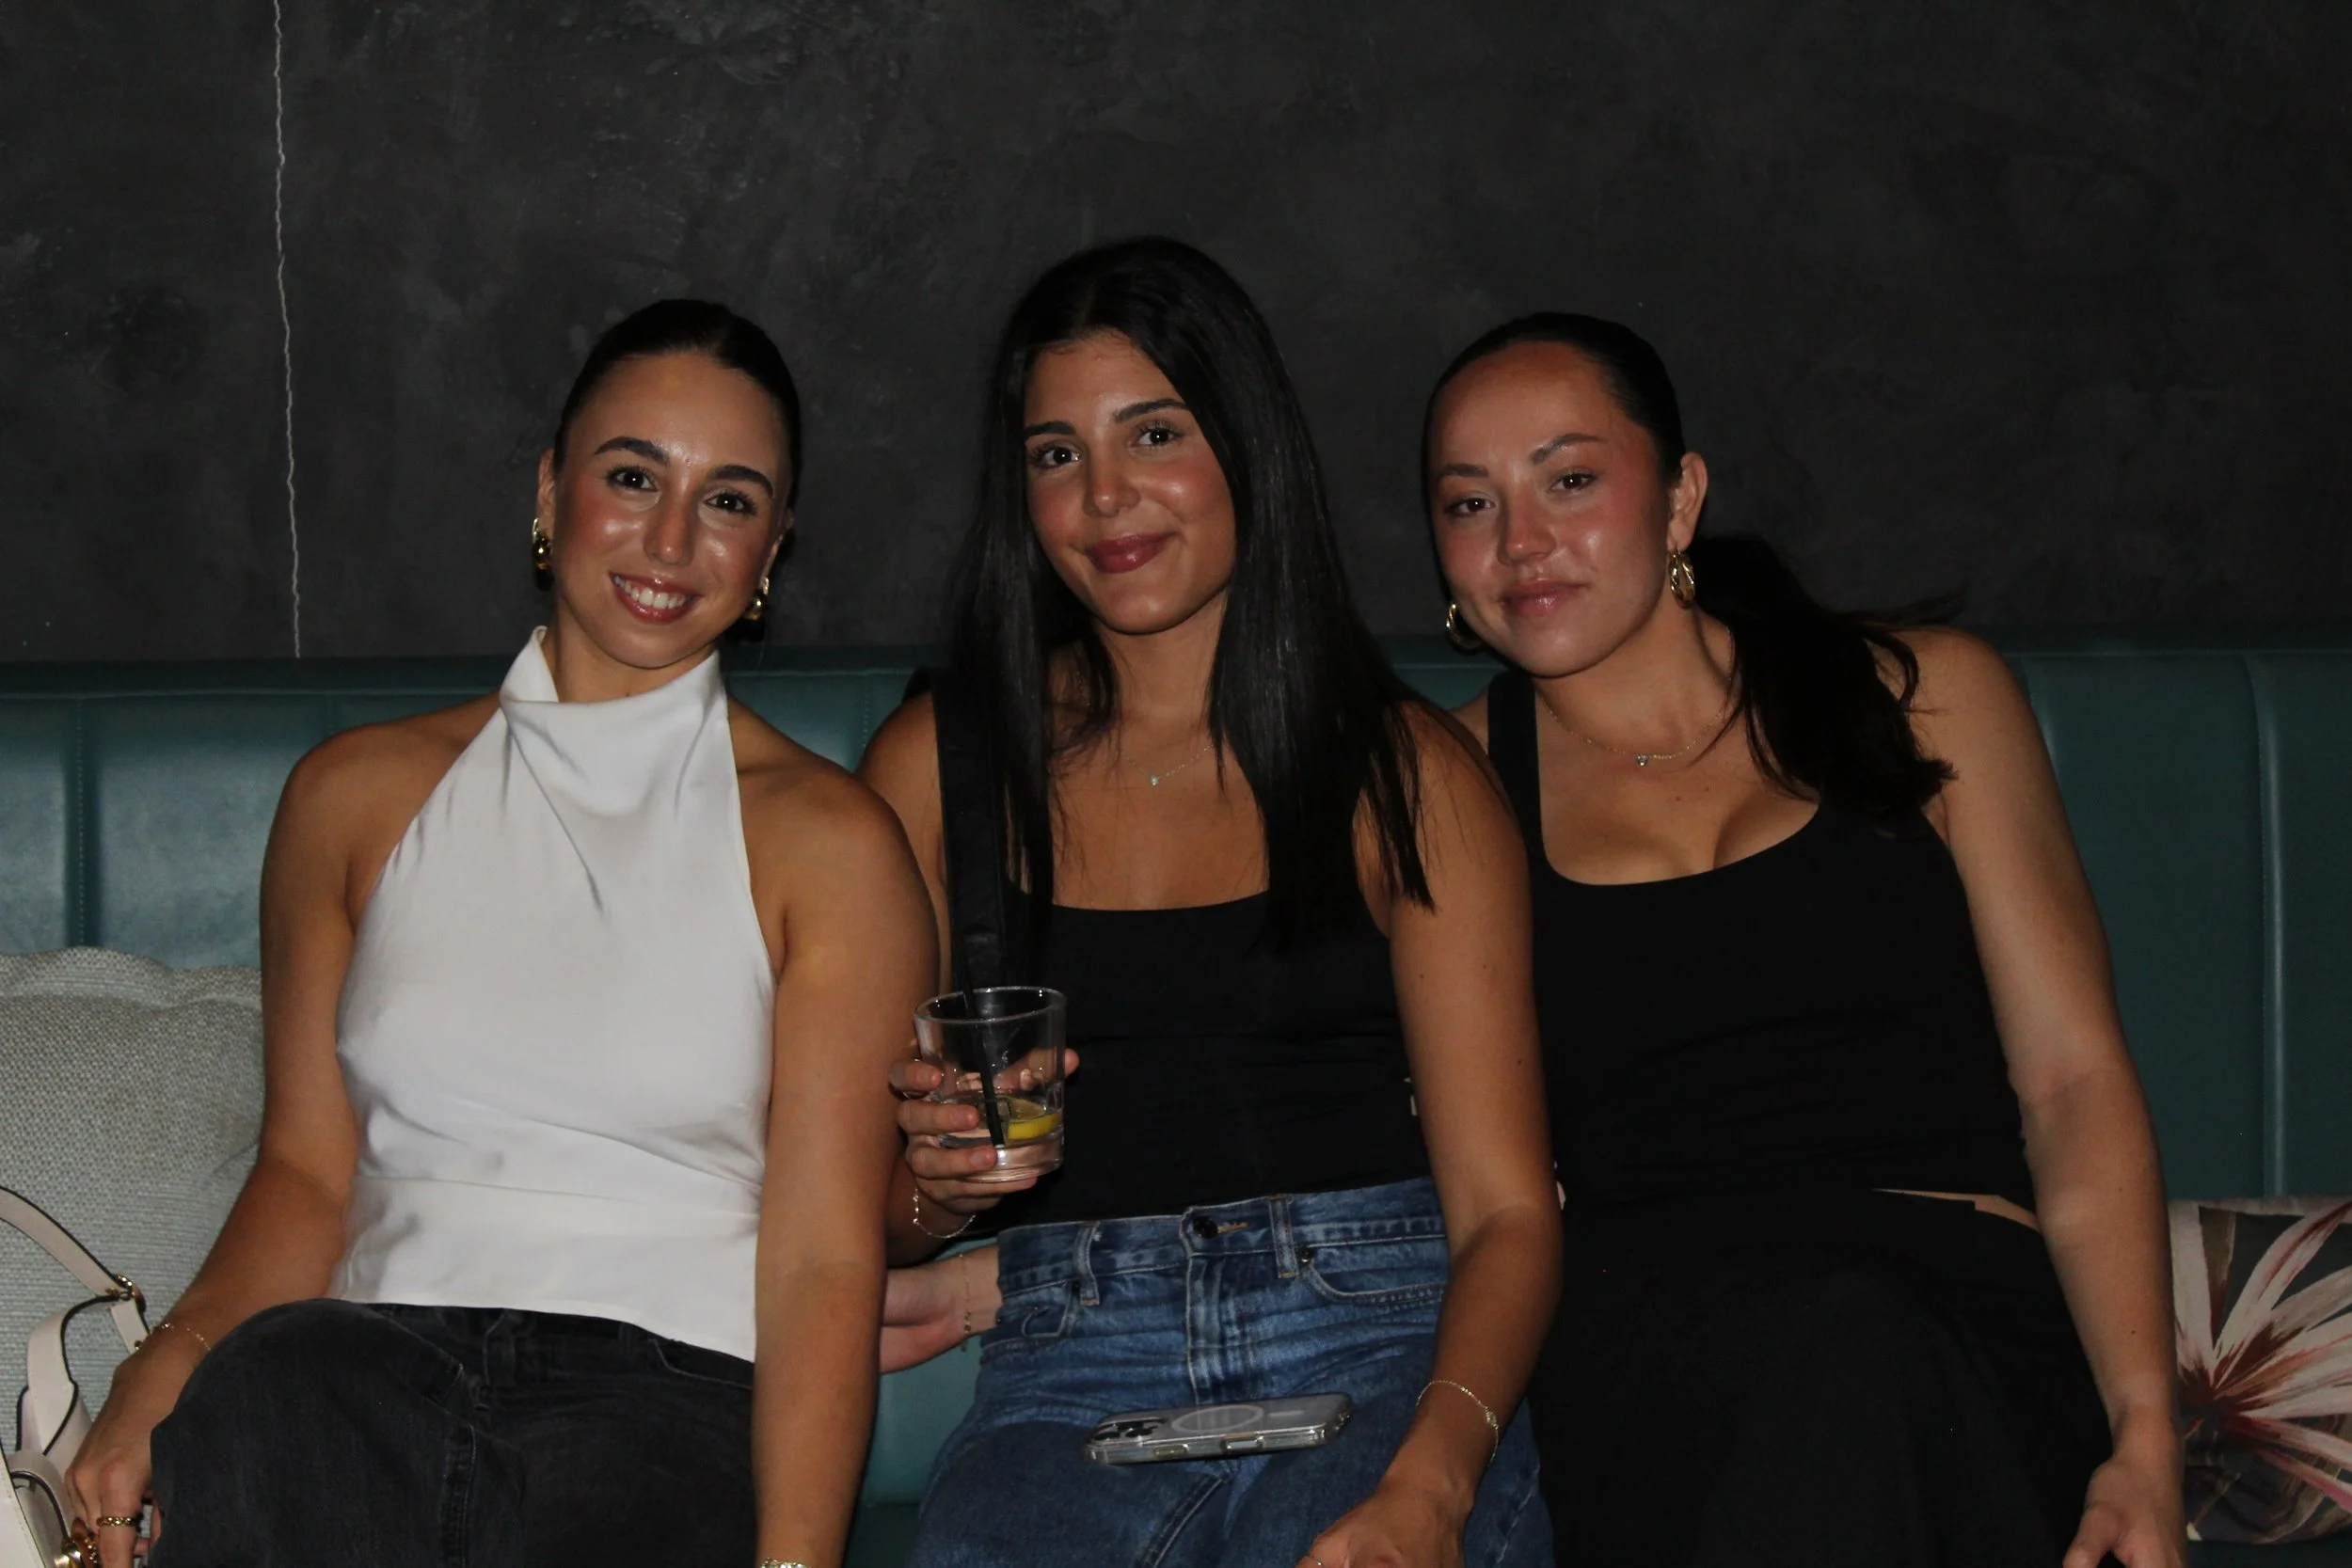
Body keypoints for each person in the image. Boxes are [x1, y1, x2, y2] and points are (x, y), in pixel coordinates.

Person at [65, 300, 935, 1568]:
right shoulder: (352, 797)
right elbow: (307, 1171)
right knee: (263, 1403)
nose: (671, 537)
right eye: (632, 475)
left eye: (730, 499)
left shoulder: (833, 843)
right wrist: (166, 1366)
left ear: (772, 550)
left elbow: (820, 1258)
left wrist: (796, 1562)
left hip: (667, 1398)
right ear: (549, 491)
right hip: (351, 1379)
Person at [1422, 312, 2185, 1567]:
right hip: (1655, 1347)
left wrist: (2148, 1441)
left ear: (1679, 500)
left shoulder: (1922, 694)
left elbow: (2073, 1082)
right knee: (1839, 1349)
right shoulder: (1449, 784)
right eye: (1469, 504)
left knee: (1863, 1344)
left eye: (1569, 480)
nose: (1521, 542)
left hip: (1967, 1319)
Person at [858, 238, 1560, 1568]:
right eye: (1055, 453)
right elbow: (856, 1213)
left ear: (1248, 447)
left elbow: (1510, 1216)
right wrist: (939, 1194)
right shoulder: (939, 770)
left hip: (1377, 1339)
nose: (1105, 497)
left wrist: (1434, 1481)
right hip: (1071, 1371)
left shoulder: (1403, 771)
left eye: (1155, 433)